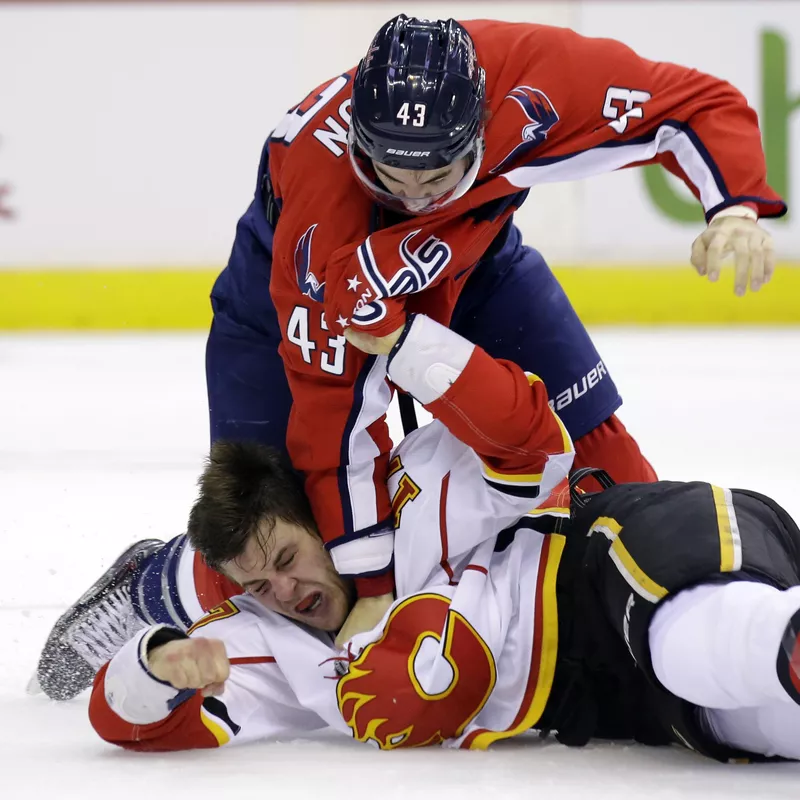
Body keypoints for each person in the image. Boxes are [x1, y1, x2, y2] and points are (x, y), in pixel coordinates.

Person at [197, 14, 785, 644]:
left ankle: (690, 607)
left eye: (436, 175)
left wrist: (733, 208)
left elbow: (694, 103)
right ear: (360, 141)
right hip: (281, 303)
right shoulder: (324, 216)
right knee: (263, 528)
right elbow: (332, 415)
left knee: (598, 456)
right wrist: (373, 593)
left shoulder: (539, 83)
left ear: (481, 124)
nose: (416, 197)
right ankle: (161, 591)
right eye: (392, 175)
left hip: (476, 266)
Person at [48, 315, 800, 761]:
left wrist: (415, 347)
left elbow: (539, 442)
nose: (285, 593)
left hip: (609, 564)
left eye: (285, 559)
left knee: (692, 642)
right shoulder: (273, 644)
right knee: (744, 724)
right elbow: (124, 725)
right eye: (257, 586)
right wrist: (157, 664)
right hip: (606, 701)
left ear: (323, 515)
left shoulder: (412, 487)